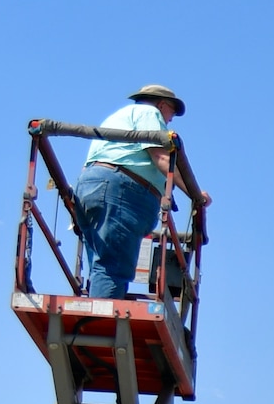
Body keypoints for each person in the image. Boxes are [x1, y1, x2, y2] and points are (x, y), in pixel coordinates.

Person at [75, 85, 190, 299]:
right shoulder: (149, 113)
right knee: (113, 269)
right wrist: (195, 194)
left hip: (91, 187)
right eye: (172, 112)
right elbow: (161, 157)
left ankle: (93, 316)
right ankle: (101, 324)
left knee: (101, 266)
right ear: (162, 104)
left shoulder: (115, 119)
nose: (171, 119)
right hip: (121, 192)